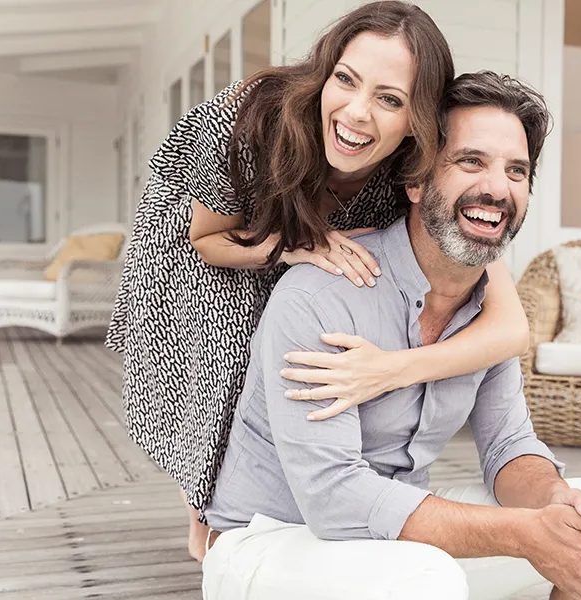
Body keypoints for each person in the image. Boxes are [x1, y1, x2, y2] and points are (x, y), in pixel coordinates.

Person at [201, 72, 581, 600]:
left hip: (390, 545)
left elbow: (509, 446)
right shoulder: (321, 295)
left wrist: (554, 501)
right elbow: (333, 497)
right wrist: (523, 535)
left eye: (516, 170)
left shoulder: (484, 315)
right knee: (426, 578)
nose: (496, 187)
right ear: (416, 182)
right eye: (471, 161)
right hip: (272, 544)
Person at [106, 1, 532, 563]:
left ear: (418, 123)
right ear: (325, 71)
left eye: (389, 99)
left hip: (303, 234)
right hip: (206, 240)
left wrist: (387, 370)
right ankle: (208, 520)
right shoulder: (257, 122)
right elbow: (208, 237)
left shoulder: (419, 171)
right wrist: (293, 247)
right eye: (346, 80)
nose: (357, 113)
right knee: (235, 352)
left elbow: (511, 330)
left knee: (304, 309)